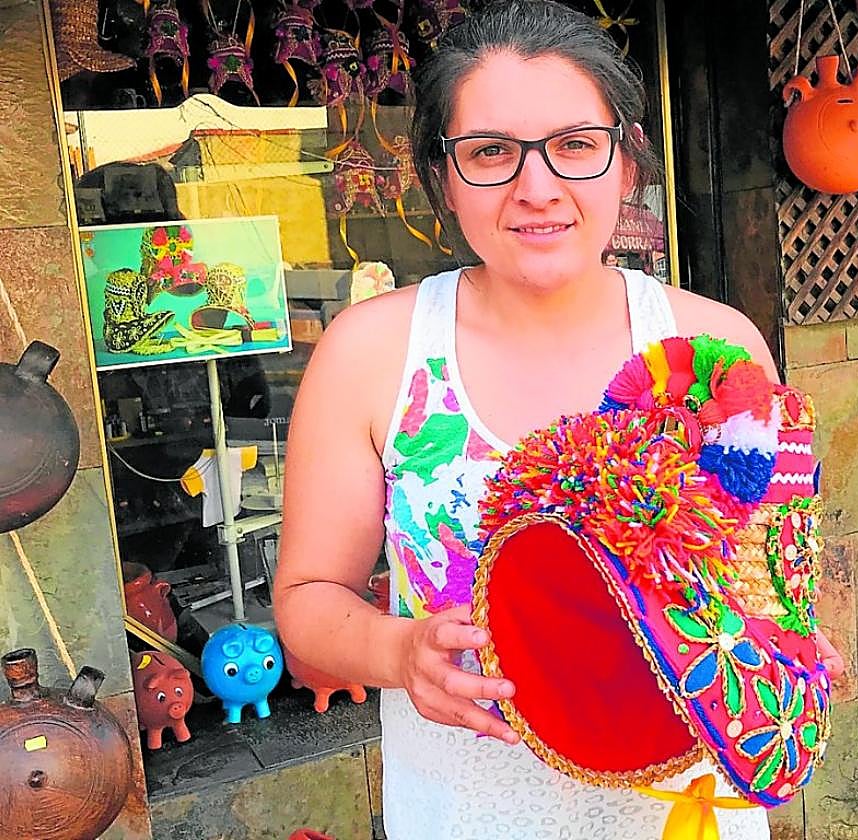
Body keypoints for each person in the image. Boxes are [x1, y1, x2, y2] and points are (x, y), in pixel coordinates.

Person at [274, 3, 777, 837]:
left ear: (627, 163)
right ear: (442, 177)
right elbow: (306, 601)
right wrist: (398, 651)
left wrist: (787, 647)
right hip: (463, 815)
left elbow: (767, 578)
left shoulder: (713, 349)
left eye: (575, 145)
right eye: (490, 153)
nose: (535, 188)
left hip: (690, 818)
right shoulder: (373, 354)